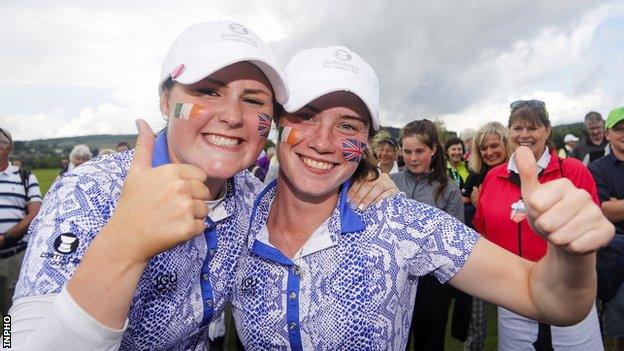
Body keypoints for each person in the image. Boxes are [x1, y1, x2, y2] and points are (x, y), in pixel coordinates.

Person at [9, 22, 392, 351]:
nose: (230, 116)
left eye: (254, 100)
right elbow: (11, 339)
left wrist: (368, 176)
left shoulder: (250, 196)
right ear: (165, 100)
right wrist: (122, 246)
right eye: (209, 91)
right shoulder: (90, 190)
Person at [231, 47, 614, 350]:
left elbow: (548, 299)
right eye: (307, 116)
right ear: (279, 120)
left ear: (365, 141)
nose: (323, 141)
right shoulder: (238, 213)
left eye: (347, 125)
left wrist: (571, 256)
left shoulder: (400, 222)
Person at [473, 100, 605, 350]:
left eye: (532, 127)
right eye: (517, 127)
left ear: (547, 130)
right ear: (509, 132)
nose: (524, 135)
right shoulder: (493, 176)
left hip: (567, 292)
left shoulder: (572, 171)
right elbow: (484, 232)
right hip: (513, 293)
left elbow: (591, 229)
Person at [392, 119, 464, 351]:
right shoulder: (389, 183)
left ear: (433, 150)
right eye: (408, 151)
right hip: (394, 280)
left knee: (430, 344)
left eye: (420, 151)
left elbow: (455, 243)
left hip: (433, 282)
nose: (413, 158)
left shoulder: (449, 188)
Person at [459, 121, 512, 351]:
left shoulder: (517, 174)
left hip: (512, 255)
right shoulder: (476, 175)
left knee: (515, 318)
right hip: (481, 252)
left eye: (494, 146)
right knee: (477, 317)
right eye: (484, 148)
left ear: (506, 144)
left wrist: (481, 202)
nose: (489, 152)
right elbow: (468, 214)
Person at [588, 106, 624, 350]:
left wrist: (616, 205)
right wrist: (609, 208)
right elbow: (601, 211)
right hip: (617, 260)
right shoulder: (597, 168)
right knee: (621, 328)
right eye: (619, 128)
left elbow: (612, 209)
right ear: (608, 134)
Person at [0, 127, 42, 316]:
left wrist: (6, 237)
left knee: (11, 314)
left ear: (8, 149)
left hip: (14, 256)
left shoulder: (24, 176)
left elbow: (34, 213)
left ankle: (8, 345)